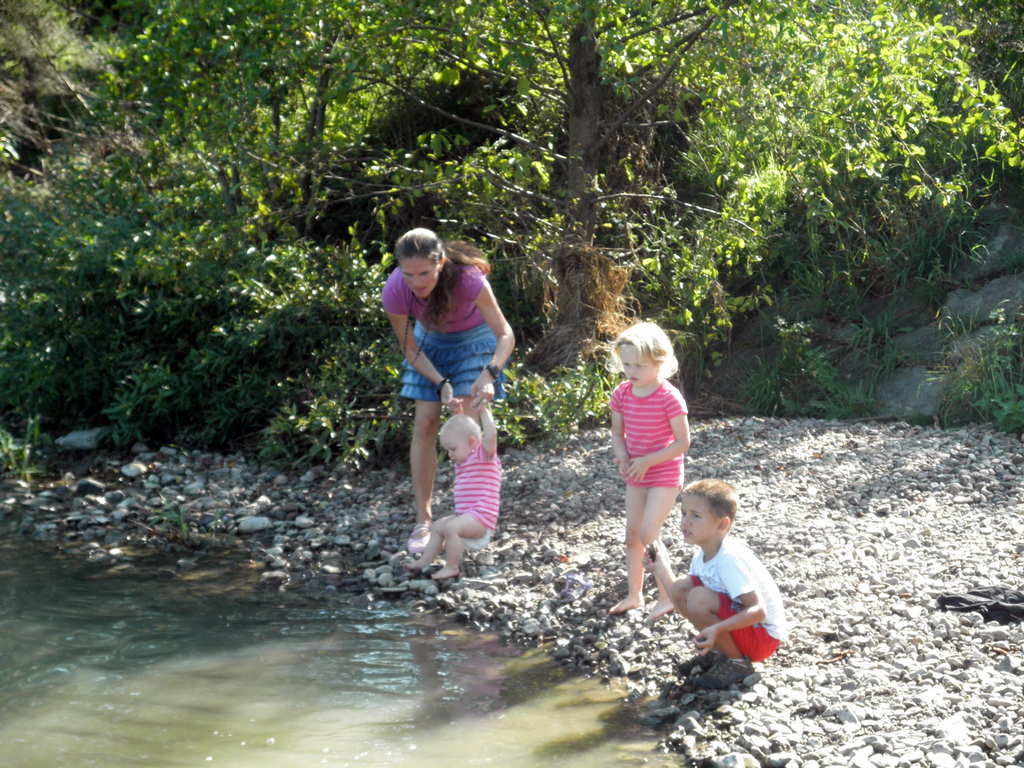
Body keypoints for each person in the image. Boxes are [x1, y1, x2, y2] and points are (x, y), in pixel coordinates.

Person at [382, 228, 514, 554]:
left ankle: (472, 518)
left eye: (425, 273)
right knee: (426, 422)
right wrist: (440, 383)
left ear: (440, 262)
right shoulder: (395, 290)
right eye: (409, 274)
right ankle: (423, 519)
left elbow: (505, 334)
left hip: (475, 340)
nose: (417, 281)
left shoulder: (468, 279)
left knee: (464, 425)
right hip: (429, 346)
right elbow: (409, 348)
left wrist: (489, 374)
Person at [644, 478, 787, 689]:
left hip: (763, 639)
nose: (686, 521)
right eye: (684, 513)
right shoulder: (700, 558)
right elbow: (680, 596)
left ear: (722, 524)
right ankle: (720, 653)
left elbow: (758, 612)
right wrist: (660, 567)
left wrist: (717, 629)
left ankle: (737, 664)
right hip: (744, 631)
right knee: (685, 586)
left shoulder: (729, 559)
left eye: (696, 516)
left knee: (699, 598)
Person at [607, 321, 691, 617]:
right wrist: (623, 458)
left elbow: (682, 442)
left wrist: (647, 461)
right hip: (636, 472)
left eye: (639, 365)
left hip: (664, 473)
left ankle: (668, 596)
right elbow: (618, 434)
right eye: (627, 364)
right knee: (632, 534)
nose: (632, 371)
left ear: (660, 361)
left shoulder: (669, 397)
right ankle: (634, 595)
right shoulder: (622, 393)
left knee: (648, 531)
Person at [405, 402, 501, 580]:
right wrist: (458, 414)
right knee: (438, 526)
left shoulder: (484, 455)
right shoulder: (462, 460)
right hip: (467, 516)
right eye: (448, 450)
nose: (450, 454)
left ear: (473, 442)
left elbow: (491, 434)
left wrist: (484, 411)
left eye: (453, 449)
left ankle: (452, 566)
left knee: (451, 528)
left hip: (482, 520)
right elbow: (460, 432)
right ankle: (423, 562)